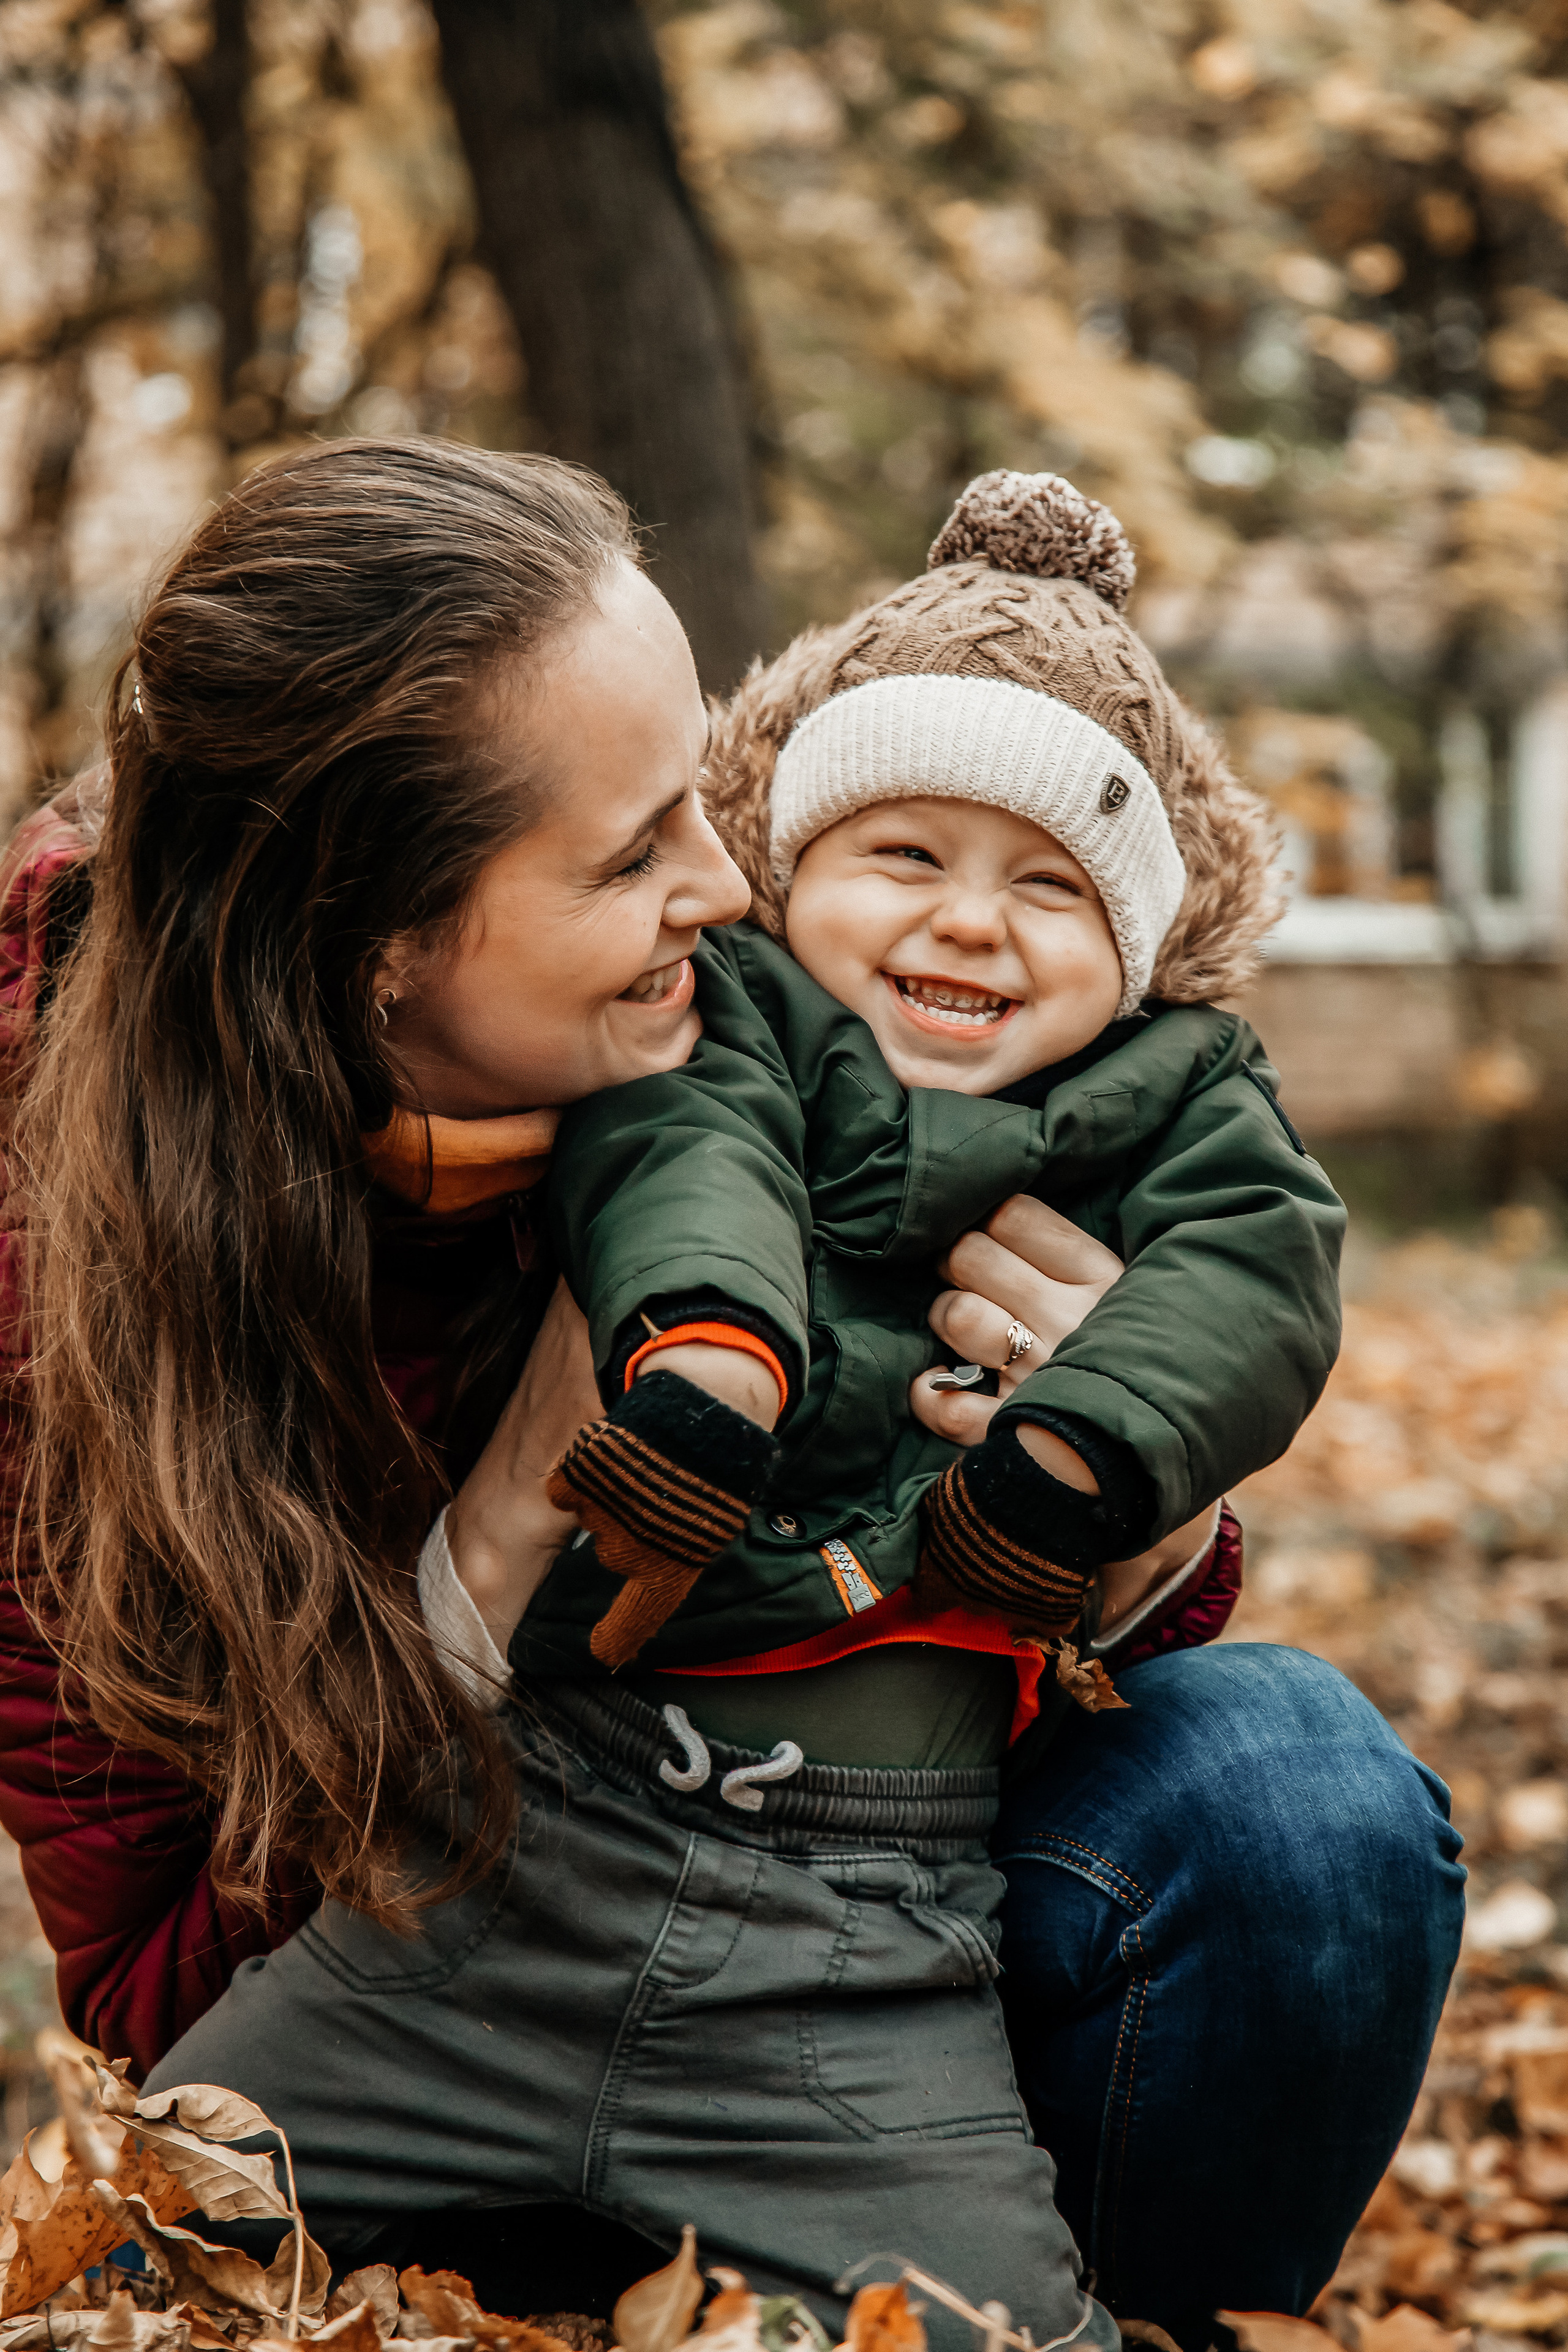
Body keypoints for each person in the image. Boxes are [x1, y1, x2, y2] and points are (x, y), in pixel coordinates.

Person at [0, 440, 1463, 2350]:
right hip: (432, 2000)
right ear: (378, 959)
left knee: (1289, 1789)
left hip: (858, 1983)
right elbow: (165, 2000)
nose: (729, 876)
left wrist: (1119, 1466)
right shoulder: (63, 1278)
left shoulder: (783, 1027)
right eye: (632, 855)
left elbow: (1096, 1567)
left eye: (699, 787)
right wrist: (506, 1518)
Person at [514, 472, 1343, 1737]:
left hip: (958, 1665)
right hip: (672, 1661)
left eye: (1049, 887)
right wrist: (708, 1361)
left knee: (1295, 1740)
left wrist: (1076, 1454)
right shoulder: (737, 1005)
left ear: (1128, 953)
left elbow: (1252, 1279)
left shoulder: (1185, 1082)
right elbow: (688, 1148)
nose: (967, 920)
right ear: (789, 877)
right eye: (904, 854)